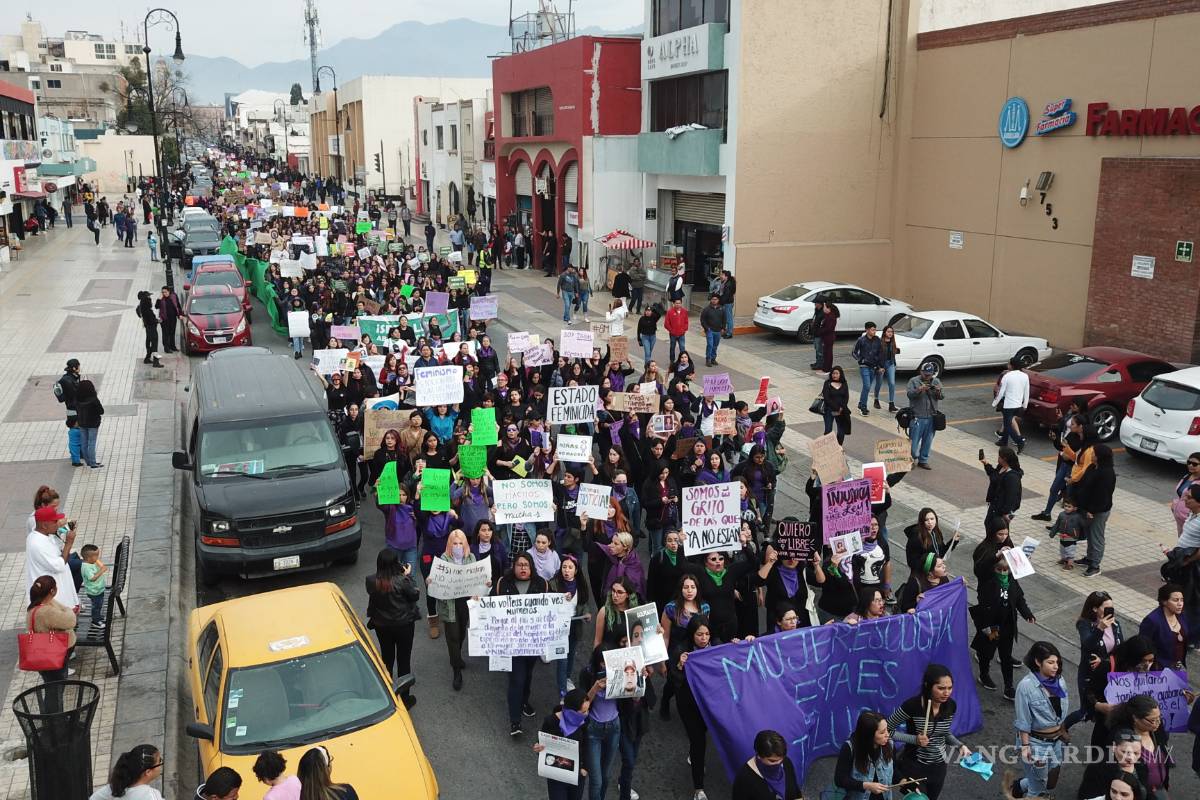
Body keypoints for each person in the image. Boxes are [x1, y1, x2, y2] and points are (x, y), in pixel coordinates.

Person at [887, 663, 971, 800]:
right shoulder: (912, 706)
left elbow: (943, 733)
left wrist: (960, 746)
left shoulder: (950, 706)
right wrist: (914, 739)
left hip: (939, 767)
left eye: (950, 688)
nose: (947, 693)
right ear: (928, 686)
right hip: (914, 766)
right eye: (941, 688)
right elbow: (887, 731)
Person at [493, 552, 549, 735]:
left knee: (528, 674)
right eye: (519, 565)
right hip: (512, 642)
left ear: (531, 567)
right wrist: (479, 602)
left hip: (532, 641)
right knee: (517, 679)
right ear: (514, 567)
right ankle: (515, 721)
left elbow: (550, 607)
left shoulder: (541, 584)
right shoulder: (504, 583)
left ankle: (524, 700)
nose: (523, 568)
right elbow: (492, 604)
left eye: (526, 565)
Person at [973, 538, 1035, 696]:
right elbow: (981, 567)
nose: (1002, 573)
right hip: (991, 625)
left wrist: (1027, 614)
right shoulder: (988, 581)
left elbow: (1020, 599)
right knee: (987, 652)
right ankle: (984, 674)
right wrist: (996, 556)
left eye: (1005, 570)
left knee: (1006, 656)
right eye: (999, 570)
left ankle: (1009, 686)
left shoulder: (1013, 582)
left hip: (1007, 625)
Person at [1011, 641, 1069, 800]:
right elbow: (1023, 721)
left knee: (1050, 782)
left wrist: (1062, 731)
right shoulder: (1026, 687)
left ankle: (1020, 785)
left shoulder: (1060, 681)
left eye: (1057, 662)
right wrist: (1025, 746)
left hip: (1056, 742)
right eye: (1050, 662)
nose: (1055, 666)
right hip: (1036, 744)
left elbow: (1061, 712)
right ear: (1038, 662)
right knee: (1038, 790)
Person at [364, 548, 421, 689]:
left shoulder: (371, 581)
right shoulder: (403, 581)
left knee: (387, 658)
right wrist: (407, 575)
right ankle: (405, 697)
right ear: (396, 563)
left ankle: (387, 692)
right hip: (404, 625)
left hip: (382, 626)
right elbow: (415, 595)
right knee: (404, 660)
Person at [25, 575, 77, 709]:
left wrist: (52, 601)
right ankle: (54, 722)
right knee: (55, 690)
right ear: (52, 591)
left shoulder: (35, 607)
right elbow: (70, 619)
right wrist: (68, 609)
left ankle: (53, 719)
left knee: (53, 687)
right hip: (55, 655)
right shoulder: (47, 612)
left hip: (44, 655)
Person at [532, 689, 590, 800]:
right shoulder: (551, 721)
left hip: (577, 775)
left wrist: (585, 768)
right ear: (572, 711)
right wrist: (538, 748)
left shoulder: (584, 723)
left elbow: (586, 745)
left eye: (587, 711)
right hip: (556, 775)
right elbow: (542, 744)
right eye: (583, 712)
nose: (586, 714)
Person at [26, 505, 79, 611]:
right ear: (44, 525)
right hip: (53, 598)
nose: (58, 524)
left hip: (57, 591)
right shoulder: (38, 544)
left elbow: (57, 552)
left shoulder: (43, 534)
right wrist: (69, 543)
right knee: (61, 623)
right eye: (55, 522)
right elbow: (59, 565)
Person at [832, 711, 895, 800]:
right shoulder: (850, 748)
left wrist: (904, 781)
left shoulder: (890, 744)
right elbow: (840, 779)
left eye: (887, 729)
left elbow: (894, 769)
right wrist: (866, 786)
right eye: (882, 732)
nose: (887, 735)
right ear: (869, 734)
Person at [1077, 443, 1117, 577]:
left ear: (1100, 456)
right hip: (1087, 509)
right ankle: (1089, 558)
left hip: (1098, 511)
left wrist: (1092, 511)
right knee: (1089, 535)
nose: (1092, 455)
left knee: (1096, 537)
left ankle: (1095, 565)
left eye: (1094, 453)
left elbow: (1103, 496)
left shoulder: (1107, 473)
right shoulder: (1093, 467)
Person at [730, 729, 803, 800]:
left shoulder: (786, 762)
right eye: (772, 761)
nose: (779, 763)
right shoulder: (744, 778)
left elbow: (795, 792)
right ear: (759, 755)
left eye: (781, 759)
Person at [1139, 583, 1189, 671]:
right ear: (1164, 601)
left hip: (1178, 666)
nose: (1180, 604)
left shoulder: (1181, 615)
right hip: (1159, 670)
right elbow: (1143, 647)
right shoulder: (1152, 620)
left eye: (1182, 600)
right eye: (1175, 600)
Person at [89, 744, 165, 799]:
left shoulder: (114, 787)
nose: (161, 763)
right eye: (159, 761)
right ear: (148, 772)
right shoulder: (151, 796)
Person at [906, 363, 943, 470]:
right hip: (917, 416)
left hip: (931, 416)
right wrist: (919, 390)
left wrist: (938, 391)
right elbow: (909, 395)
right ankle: (911, 459)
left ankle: (923, 460)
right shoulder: (914, 381)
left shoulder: (936, 381)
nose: (927, 376)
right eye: (925, 374)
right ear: (921, 371)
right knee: (913, 441)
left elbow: (942, 397)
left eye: (929, 374)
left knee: (928, 441)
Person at [994, 357, 1031, 452]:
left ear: (1012, 365)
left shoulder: (1007, 376)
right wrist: (1025, 405)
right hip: (1018, 405)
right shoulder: (1025, 376)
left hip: (1008, 405)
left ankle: (1019, 441)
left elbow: (1001, 392)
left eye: (1009, 363)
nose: (1007, 365)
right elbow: (1026, 391)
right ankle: (1003, 441)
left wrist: (995, 402)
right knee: (1007, 422)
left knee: (1007, 425)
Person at [982, 446, 1023, 526]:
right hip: (994, 505)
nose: (998, 458)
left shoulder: (1012, 476)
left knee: (998, 529)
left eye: (999, 456)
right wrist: (986, 464)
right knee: (988, 524)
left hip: (1001, 510)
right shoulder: (1001, 467)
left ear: (1004, 459)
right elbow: (994, 477)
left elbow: (1011, 496)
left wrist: (1004, 512)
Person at [1048, 492, 1087, 571]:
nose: (1066, 508)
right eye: (1065, 506)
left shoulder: (1078, 517)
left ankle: (1070, 564)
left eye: (1069, 507)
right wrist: (1053, 532)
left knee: (1070, 551)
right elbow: (1057, 524)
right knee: (1062, 549)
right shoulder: (1062, 514)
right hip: (1062, 537)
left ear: (1075, 508)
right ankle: (1064, 559)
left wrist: (1083, 535)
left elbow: (1084, 526)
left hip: (1072, 538)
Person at [851, 322, 883, 416]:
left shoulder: (877, 340)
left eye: (875, 329)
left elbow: (880, 353)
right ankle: (863, 406)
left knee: (866, 388)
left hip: (874, 367)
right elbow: (854, 352)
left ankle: (861, 403)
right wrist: (860, 360)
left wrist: (880, 366)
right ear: (867, 330)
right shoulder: (861, 340)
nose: (874, 331)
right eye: (873, 329)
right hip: (864, 366)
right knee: (867, 386)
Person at [56, 358, 82, 464]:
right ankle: (76, 459)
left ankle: (79, 455)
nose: (80, 368)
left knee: (78, 432)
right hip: (74, 409)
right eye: (79, 366)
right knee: (75, 433)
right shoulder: (67, 380)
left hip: (73, 409)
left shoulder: (68, 378)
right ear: (75, 368)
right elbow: (74, 394)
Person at [75, 379, 105, 469]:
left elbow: (76, 410)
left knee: (84, 443)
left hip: (81, 423)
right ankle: (93, 463)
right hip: (93, 424)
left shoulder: (77, 399)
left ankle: (88, 461)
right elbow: (101, 411)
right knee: (91, 443)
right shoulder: (94, 400)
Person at [80, 543, 108, 629]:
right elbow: (92, 578)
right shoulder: (86, 567)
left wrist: (100, 565)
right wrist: (102, 570)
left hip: (98, 589)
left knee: (99, 605)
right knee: (96, 606)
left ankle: (98, 617)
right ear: (89, 558)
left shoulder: (92, 562)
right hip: (94, 591)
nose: (98, 558)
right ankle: (95, 621)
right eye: (96, 556)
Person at [821, 365, 851, 445]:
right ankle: (828, 447)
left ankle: (838, 446)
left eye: (837, 373)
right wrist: (836, 408)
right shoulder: (827, 383)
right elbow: (827, 398)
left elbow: (846, 397)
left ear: (840, 374)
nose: (835, 375)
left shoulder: (844, 383)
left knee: (841, 431)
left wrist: (842, 408)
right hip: (829, 410)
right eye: (833, 373)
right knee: (828, 431)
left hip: (841, 411)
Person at [874, 325, 900, 412]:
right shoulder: (880, 342)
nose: (890, 333)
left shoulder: (893, 342)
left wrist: (894, 363)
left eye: (892, 332)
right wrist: (878, 367)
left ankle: (891, 404)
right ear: (885, 332)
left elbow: (893, 353)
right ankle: (876, 399)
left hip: (891, 364)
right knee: (879, 383)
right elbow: (876, 356)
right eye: (888, 331)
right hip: (881, 365)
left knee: (892, 383)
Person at [135, 291, 162, 367]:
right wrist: (157, 321)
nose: (150, 299)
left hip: (148, 327)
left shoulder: (142, 306)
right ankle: (156, 362)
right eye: (149, 297)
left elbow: (140, 314)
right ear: (147, 299)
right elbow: (151, 320)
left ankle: (147, 358)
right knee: (154, 343)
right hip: (151, 328)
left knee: (148, 341)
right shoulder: (147, 310)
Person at [700, 293, 725, 367]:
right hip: (710, 330)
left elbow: (724, 319)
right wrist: (706, 328)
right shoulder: (706, 309)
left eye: (716, 299)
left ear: (718, 300)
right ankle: (708, 359)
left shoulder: (722, 309)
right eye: (713, 299)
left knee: (715, 345)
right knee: (710, 345)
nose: (714, 301)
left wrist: (723, 328)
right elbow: (702, 320)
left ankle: (713, 359)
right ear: (711, 300)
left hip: (718, 331)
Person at [155, 287, 182, 354]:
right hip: (164, 319)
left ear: (169, 291)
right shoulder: (161, 299)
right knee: (165, 334)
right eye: (163, 292)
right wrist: (158, 299)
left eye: (165, 292)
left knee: (172, 332)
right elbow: (156, 306)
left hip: (173, 318)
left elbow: (178, 305)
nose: (164, 293)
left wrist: (180, 314)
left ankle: (172, 346)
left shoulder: (174, 296)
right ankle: (166, 348)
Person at [664, 298, 689, 365]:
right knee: (672, 347)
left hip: (681, 334)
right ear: (673, 304)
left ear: (681, 303)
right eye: (676, 303)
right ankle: (672, 361)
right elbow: (666, 323)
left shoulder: (684, 311)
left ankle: (683, 361)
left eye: (679, 303)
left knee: (682, 348)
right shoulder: (670, 312)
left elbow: (686, 322)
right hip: (673, 334)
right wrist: (671, 331)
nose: (678, 304)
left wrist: (684, 329)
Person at [719, 270, 736, 338]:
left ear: (726, 276)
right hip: (727, 302)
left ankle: (729, 333)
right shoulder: (726, 282)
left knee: (729, 319)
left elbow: (726, 295)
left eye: (722, 275)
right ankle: (727, 331)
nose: (721, 276)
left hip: (727, 303)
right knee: (727, 318)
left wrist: (721, 302)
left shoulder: (728, 284)